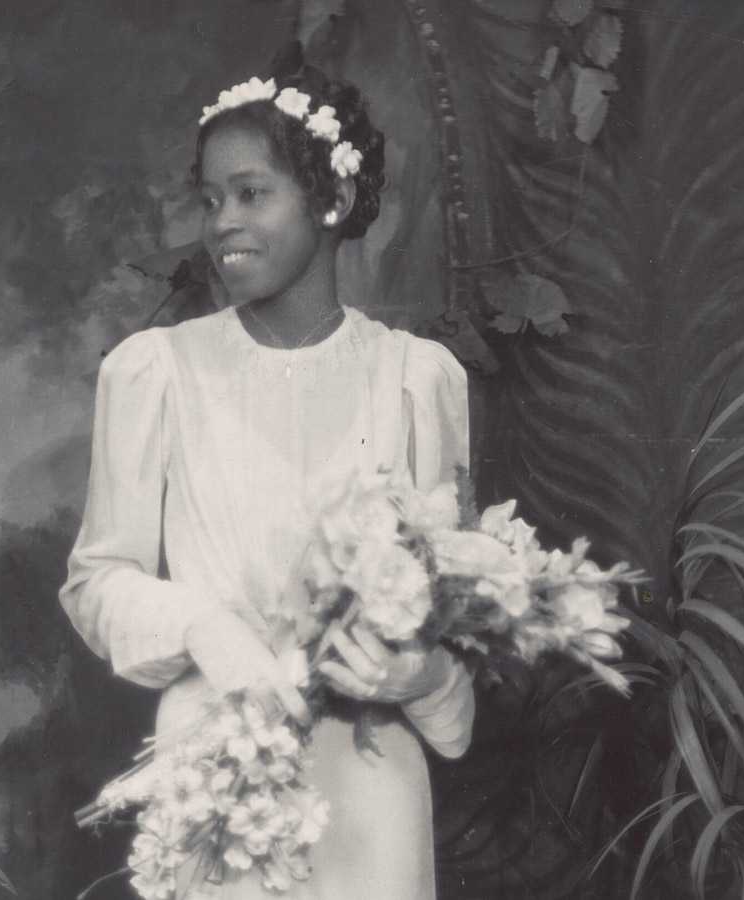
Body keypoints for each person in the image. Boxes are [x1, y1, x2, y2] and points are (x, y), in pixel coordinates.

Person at [59, 64, 475, 899]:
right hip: (219, 778)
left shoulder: (416, 380)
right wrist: (209, 627)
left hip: (370, 795)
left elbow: (453, 611)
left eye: (252, 194)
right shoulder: (157, 373)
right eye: (212, 201)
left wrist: (422, 678)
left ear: (329, 198)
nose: (223, 225)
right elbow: (96, 584)